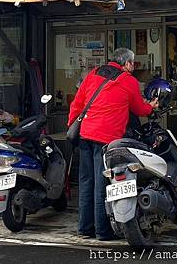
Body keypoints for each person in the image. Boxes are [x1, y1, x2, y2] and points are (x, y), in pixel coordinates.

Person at [68, 47, 158, 240]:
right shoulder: (128, 81)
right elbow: (139, 108)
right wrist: (151, 107)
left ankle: (84, 228)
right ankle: (102, 231)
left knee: (86, 182)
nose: (133, 67)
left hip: (85, 135)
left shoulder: (93, 74)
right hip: (106, 139)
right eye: (132, 64)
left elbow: (77, 103)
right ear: (126, 63)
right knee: (102, 185)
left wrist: (72, 125)